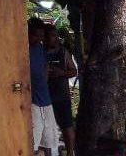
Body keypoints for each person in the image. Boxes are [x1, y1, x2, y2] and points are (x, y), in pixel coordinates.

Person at [45, 24, 77, 156]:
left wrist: (61, 73)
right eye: (51, 36)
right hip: (44, 96)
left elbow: (74, 71)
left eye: (55, 35)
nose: (55, 38)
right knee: (46, 129)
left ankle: (70, 153)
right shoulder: (39, 52)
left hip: (61, 96)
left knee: (67, 126)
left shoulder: (63, 52)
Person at [28, 18, 57, 156]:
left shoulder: (40, 48)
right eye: (36, 35)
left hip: (45, 99)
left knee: (49, 140)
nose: (39, 39)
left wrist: (44, 80)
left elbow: (45, 66)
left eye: (41, 36)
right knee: (33, 140)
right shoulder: (24, 50)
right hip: (33, 101)